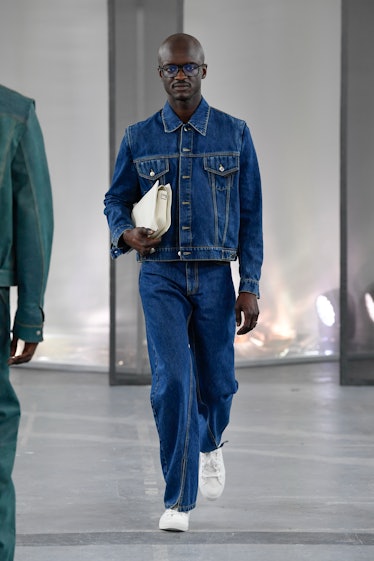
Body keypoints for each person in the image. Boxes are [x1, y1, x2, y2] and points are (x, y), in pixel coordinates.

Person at [104, 33, 263, 532]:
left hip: (217, 275)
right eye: (171, 68)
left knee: (217, 385)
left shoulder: (235, 134)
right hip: (161, 275)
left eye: (188, 67)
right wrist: (124, 233)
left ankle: (211, 442)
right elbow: (114, 201)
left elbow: (252, 215)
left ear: (203, 71)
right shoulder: (138, 137)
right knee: (172, 383)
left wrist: (251, 283)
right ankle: (178, 500)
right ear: (160, 74)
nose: (179, 75)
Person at [0, 84, 53, 560]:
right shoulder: (13, 113)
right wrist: (30, 315)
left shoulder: (15, 113)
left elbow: (34, 215)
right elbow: (34, 216)